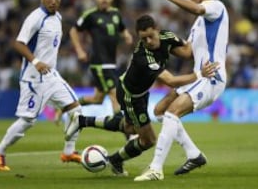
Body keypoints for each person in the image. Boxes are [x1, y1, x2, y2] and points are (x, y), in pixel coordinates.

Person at [65, 14, 219, 176]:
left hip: (142, 92)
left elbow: (187, 52)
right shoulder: (143, 56)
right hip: (130, 95)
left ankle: (82, 121)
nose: (149, 42)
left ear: (157, 30)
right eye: (144, 39)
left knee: (128, 126)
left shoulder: (167, 35)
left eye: (151, 36)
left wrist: (204, 42)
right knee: (148, 140)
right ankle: (115, 158)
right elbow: (171, 81)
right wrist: (199, 74)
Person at [134, 0, 229, 181]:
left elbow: (196, 9)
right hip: (199, 76)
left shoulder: (215, 6)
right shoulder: (199, 23)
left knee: (171, 113)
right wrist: (160, 43)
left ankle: (156, 168)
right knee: (160, 112)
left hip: (211, 76)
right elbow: (187, 52)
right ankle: (194, 155)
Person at [0, 0, 83, 171]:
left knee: (75, 109)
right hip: (34, 78)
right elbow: (19, 43)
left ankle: (68, 151)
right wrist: (36, 61)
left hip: (52, 76)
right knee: (27, 121)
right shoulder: (35, 18)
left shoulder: (58, 18)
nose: (53, 1)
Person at [68, 0, 133, 117]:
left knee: (97, 99)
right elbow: (74, 31)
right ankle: (126, 132)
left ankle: (67, 107)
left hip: (111, 62)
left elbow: (121, 28)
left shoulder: (116, 13)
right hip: (100, 62)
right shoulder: (90, 15)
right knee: (115, 95)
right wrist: (79, 50)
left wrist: (126, 35)